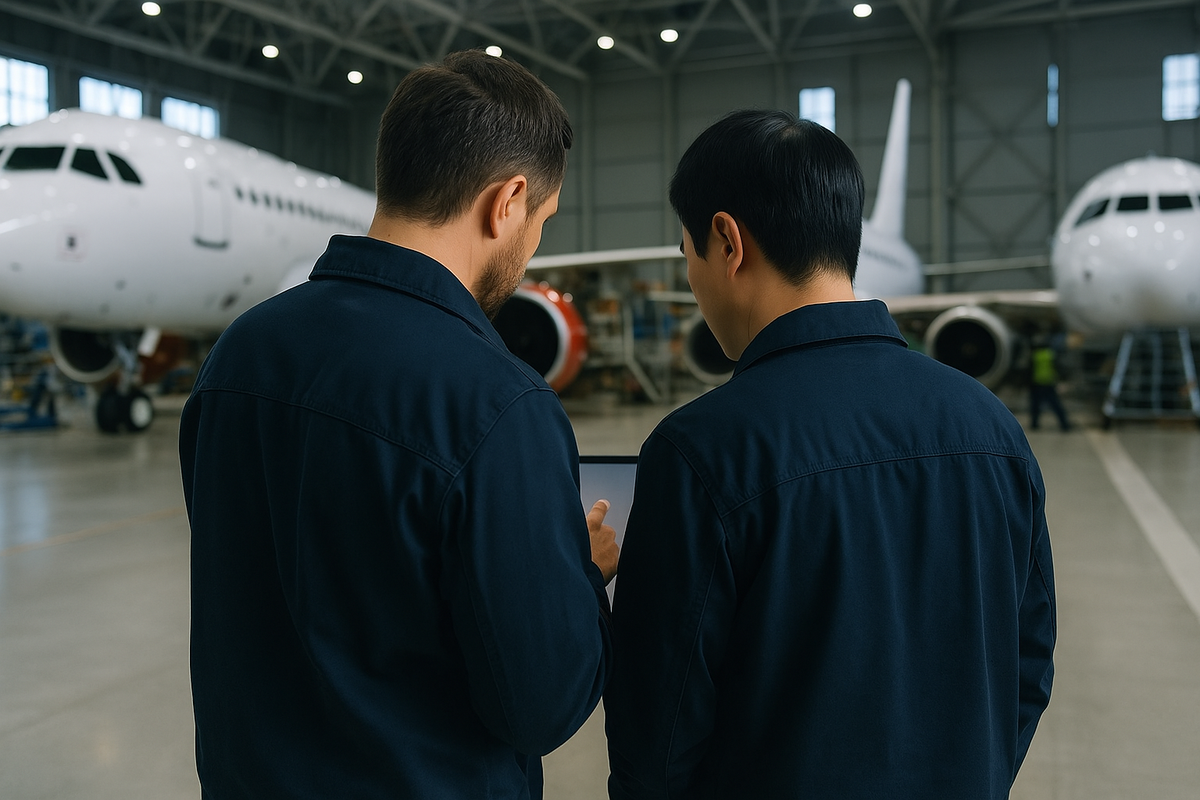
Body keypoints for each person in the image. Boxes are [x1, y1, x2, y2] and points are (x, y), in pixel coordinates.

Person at [179, 50, 618, 799]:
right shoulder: (496, 404)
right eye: (540, 220)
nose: (533, 242)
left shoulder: (238, 356)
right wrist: (577, 573)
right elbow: (538, 705)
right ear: (507, 200)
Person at [604, 110, 1056, 799]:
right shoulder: (992, 428)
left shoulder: (701, 451)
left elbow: (658, 734)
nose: (692, 281)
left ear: (726, 241)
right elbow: (1027, 667)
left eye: (687, 255)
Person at [1030, 334, 1072, 431]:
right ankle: (1064, 424)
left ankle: (1034, 424)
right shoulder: (1051, 354)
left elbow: (1030, 370)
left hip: (1037, 383)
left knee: (1035, 405)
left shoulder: (1035, 355)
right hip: (1048, 383)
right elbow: (1057, 367)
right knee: (1056, 405)